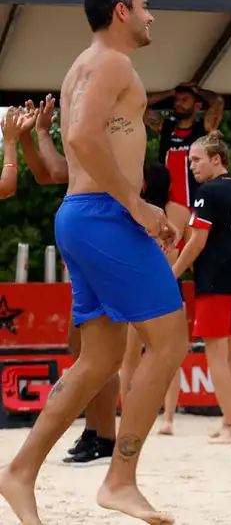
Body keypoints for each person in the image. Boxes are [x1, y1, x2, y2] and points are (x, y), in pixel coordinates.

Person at [0, 0, 190, 525]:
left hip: (82, 216)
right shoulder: (113, 65)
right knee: (171, 340)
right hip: (106, 219)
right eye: (146, 6)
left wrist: (32, 140)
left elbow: (63, 169)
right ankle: (120, 480)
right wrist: (139, 206)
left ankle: (18, 472)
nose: (152, 16)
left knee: (100, 358)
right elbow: (82, 142)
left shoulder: (77, 70)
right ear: (121, 12)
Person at [9, 95, 124, 467]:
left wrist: (40, 132)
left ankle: (105, 435)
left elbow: (58, 172)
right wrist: (27, 136)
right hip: (93, 246)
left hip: (109, 242)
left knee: (97, 353)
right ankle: (96, 430)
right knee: (81, 347)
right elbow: (44, 175)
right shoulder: (90, 134)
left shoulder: (107, 135)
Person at [170, 135, 231, 444]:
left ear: (217, 159)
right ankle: (230, 419)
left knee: (216, 355)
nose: (192, 167)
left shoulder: (208, 193)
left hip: (214, 283)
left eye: (197, 160)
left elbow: (197, 242)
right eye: (189, 162)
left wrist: (171, 275)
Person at [118, 163, 190, 437]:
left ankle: (127, 413)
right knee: (169, 358)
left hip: (137, 286)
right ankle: (169, 418)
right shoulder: (182, 212)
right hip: (170, 285)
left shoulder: (135, 210)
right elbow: (193, 249)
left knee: (130, 359)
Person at [145, 82, 225, 208]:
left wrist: (197, 91)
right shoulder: (165, 128)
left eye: (184, 100)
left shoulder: (203, 129)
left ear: (196, 105)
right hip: (167, 206)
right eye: (176, 99)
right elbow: (141, 104)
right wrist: (170, 92)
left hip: (196, 205)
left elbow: (218, 102)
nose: (178, 103)